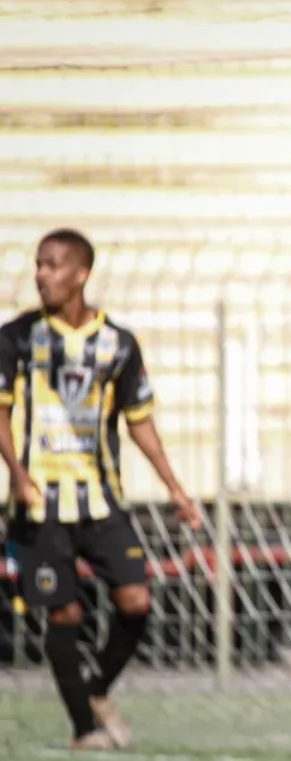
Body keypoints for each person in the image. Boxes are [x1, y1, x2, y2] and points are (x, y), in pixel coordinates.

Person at [0, 228, 201, 751]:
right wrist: (19, 479)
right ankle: (84, 731)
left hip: (102, 500)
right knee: (64, 613)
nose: (41, 274)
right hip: (39, 503)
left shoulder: (119, 344)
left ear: (81, 273)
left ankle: (96, 690)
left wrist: (176, 489)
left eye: (53, 265)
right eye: (38, 264)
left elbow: (139, 422)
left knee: (135, 601)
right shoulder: (17, 338)